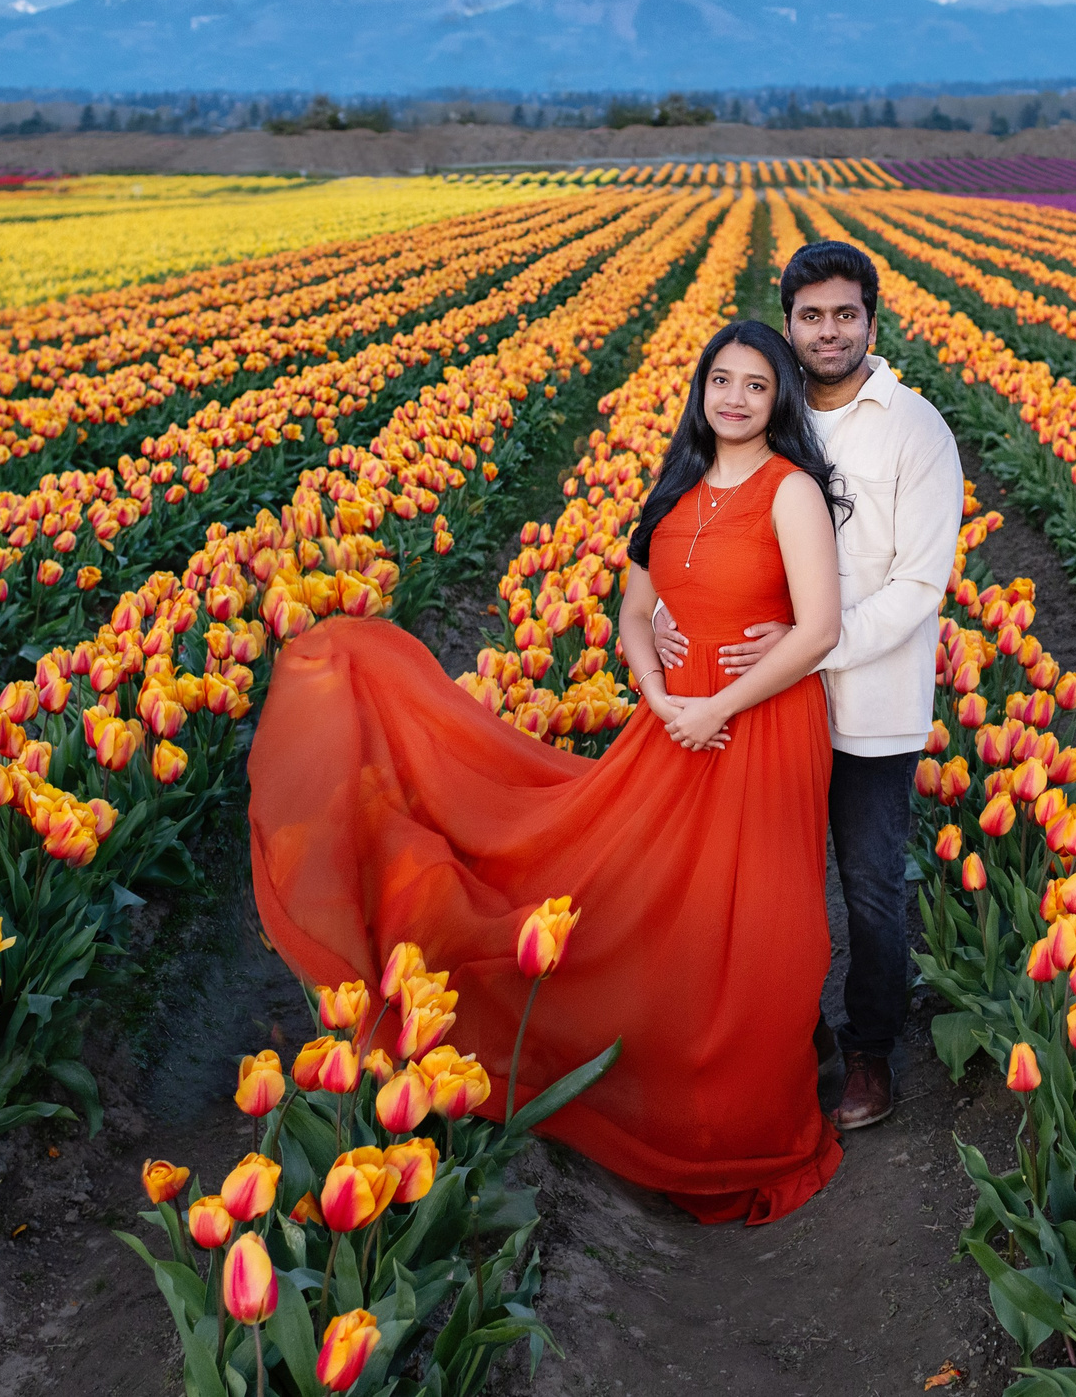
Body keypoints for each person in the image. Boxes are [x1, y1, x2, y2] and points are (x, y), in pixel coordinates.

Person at [245, 320, 849, 1224]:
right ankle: (665, 1096)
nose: (735, 398)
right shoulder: (678, 485)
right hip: (673, 721)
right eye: (721, 379)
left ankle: (746, 1122)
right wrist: (657, 689)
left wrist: (715, 705)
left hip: (757, 727)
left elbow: (820, 628)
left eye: (756, 385)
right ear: (701, 388)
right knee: (653, 905)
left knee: (761, 923)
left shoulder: (791, 490)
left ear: (780, 400)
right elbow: (635, 611)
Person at [656, 240, 964, 1132]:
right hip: (763, 706)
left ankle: (870, 1049)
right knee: (767, 884)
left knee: (869, 887)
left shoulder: (914, 429)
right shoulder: (768, 411)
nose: (829, 331)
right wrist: (672, 610)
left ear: (873, 321)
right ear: (788, 322)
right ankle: (792, 1039)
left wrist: (810, 645)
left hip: (867, 705)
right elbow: (703, 518)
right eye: (811, 315)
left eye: (845, 314)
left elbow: (918, 584)